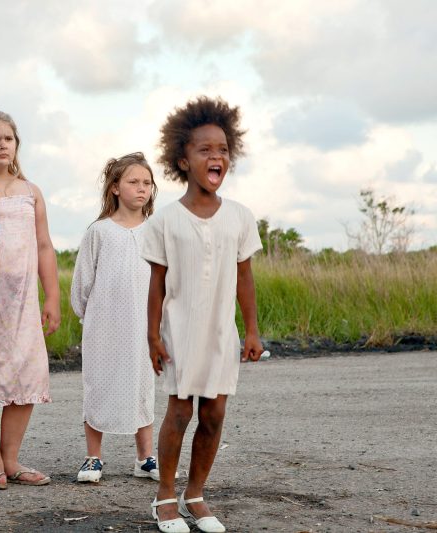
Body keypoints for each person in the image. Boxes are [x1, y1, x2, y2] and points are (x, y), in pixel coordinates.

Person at [142, 96, 264, 533]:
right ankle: (165, 498)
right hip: (179, 329)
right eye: (205, 150)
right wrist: (152, 335)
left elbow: (245, 277)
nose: (217, 157)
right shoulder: (165, 221)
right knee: (179, 413)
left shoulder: (239, 217)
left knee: (213, 414)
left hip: (220, 332)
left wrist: (250, 330)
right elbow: (156, 283)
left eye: (223, 150)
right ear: (183, 160)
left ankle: (196, 493)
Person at [0, 110, 60, 489]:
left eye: (9, 138)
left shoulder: (29, 191)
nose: (3, 145)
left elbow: (44, 246)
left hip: (24, 301)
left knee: (27, 371)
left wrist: (51, 296)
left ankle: (12, 459)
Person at [70, 152, 159, 484]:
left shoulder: (156, 231)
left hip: (144, 328)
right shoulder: (99, 231)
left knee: (142, 385)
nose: (141, 189)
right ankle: (93, 458)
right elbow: (82, 282)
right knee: (99, 384)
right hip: (104, 325)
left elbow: (165, 280)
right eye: (133, 182)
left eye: (147, 183)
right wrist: (89, 317)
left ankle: (145, 458)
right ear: (115, 188)